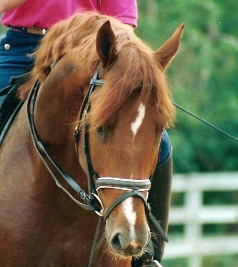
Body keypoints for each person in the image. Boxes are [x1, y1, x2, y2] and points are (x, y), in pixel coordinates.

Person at [0, 1, 172, 266]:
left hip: (96, 52)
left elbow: (123, 24)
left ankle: (148, 258)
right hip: (22, 48)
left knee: (161, 145)